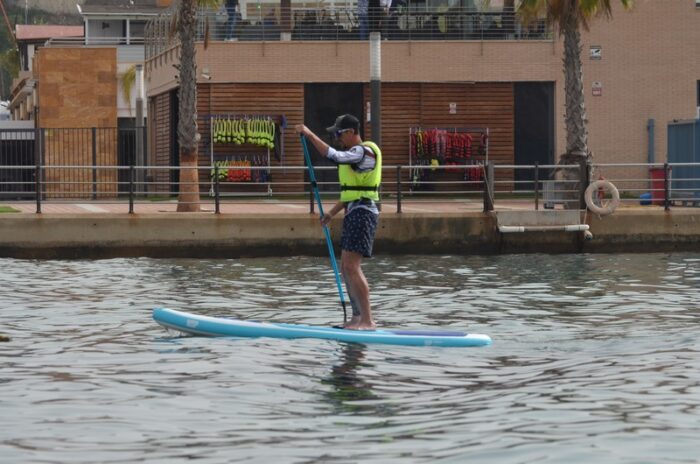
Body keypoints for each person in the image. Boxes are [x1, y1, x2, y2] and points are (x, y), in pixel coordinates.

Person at [295, 114, 382, 330]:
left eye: (339, 133)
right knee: (345, 267)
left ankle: (368, 320)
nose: (337, 137)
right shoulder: (354, 153)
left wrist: (308, 133)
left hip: (364, 212)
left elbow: (333, 155)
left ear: (352, 132)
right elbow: (350, 193)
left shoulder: (364, 151)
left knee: (352, 266)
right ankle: (356, 318)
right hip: (354, 210)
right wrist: (331, 213)